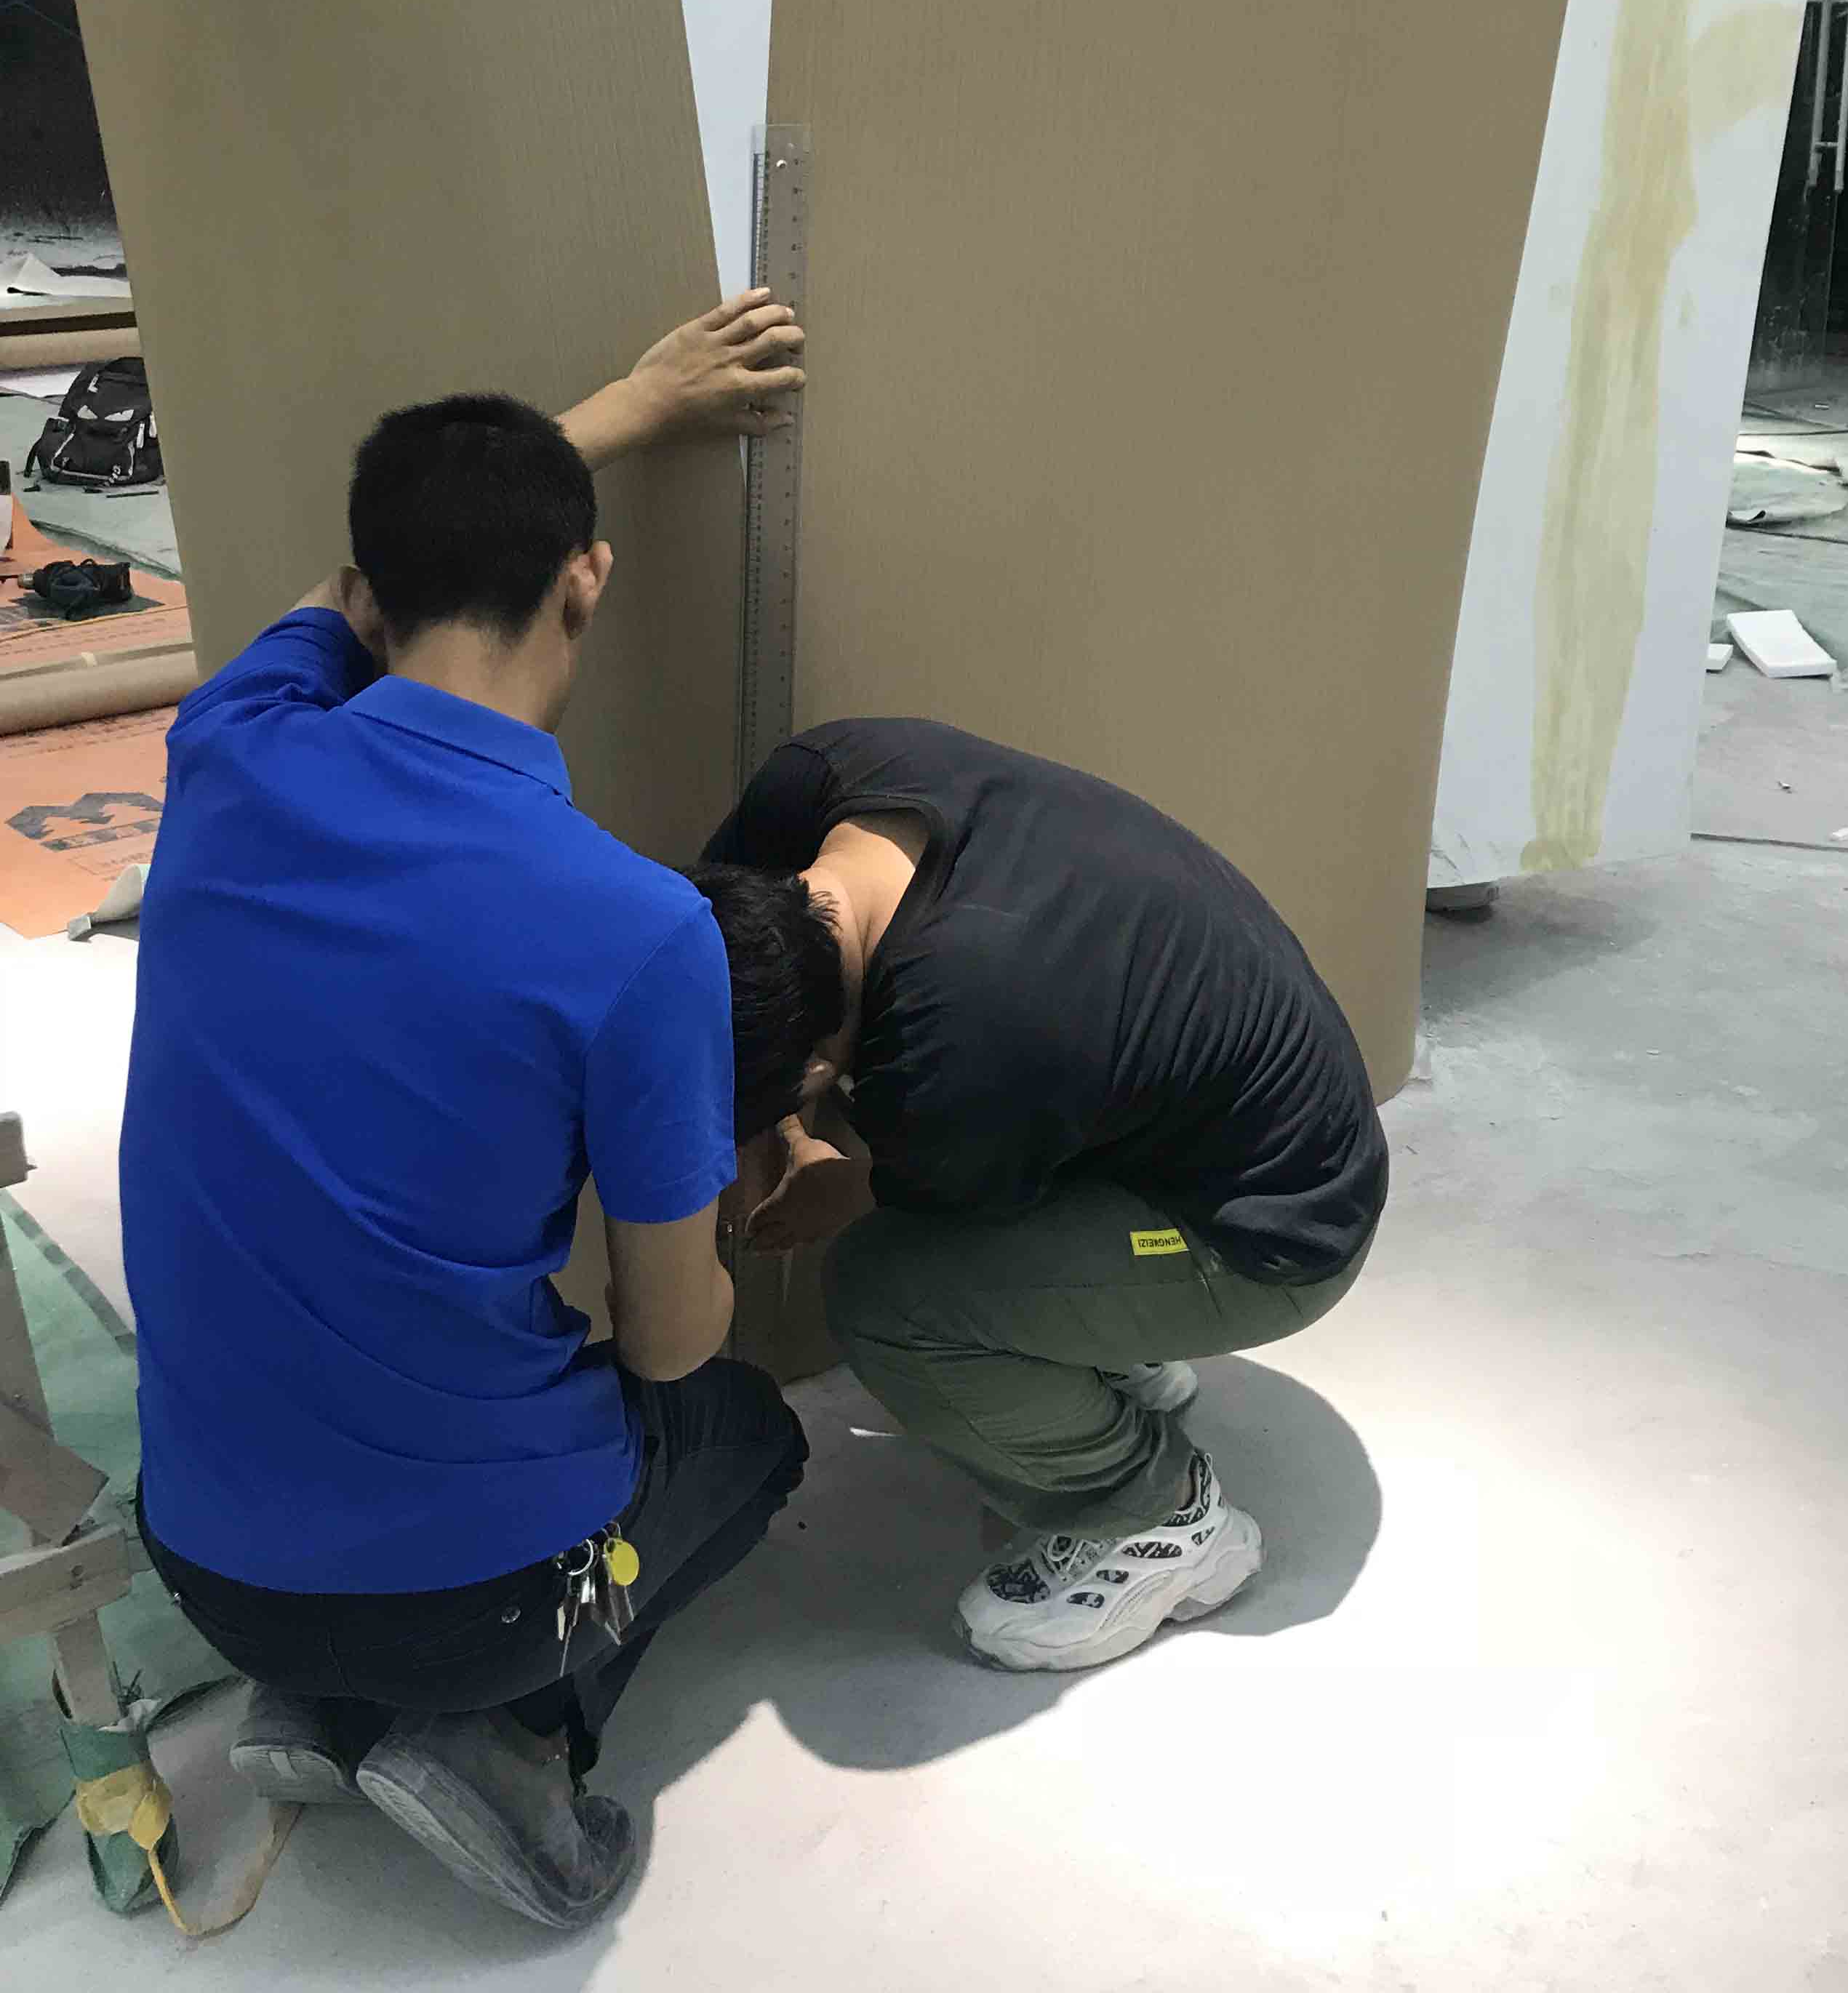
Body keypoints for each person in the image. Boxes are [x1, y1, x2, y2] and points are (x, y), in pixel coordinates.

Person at [123, 295, 808, 1933]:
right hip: (474, 1605)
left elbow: (353, 580)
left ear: (367, 601)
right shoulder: (640, 931)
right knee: (744, 1433)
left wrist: (618, 410)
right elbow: (670, 1347)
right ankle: (505, 1733)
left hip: (202, 1566)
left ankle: (317, 1706)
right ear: (589, 580)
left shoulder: (227, 747)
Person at [695, 717, 1388, 1672]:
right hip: (1197, 1123)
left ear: (813, 1068)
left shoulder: (964, 1034)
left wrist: (823, 1178)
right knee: (943, 1188)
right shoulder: (820, 780)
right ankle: (1089, 1352)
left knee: (888, 1298)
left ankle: (1157, 1517)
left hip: (1271, 1230)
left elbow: (914, 1188)